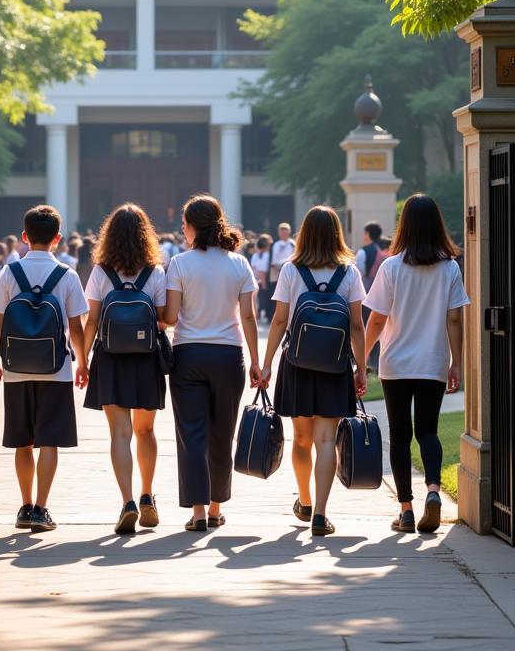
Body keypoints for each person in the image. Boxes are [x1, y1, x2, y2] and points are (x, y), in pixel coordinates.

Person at [363, 194, 469, 535]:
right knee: (428, 431)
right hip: (433, 362)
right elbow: (454, 319)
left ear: (404, 225)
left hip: (395, 362)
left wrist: (361, 357)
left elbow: (377, 320)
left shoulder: (391, 267)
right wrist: (457, 363)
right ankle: (434, 491)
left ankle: (406, 510)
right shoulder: (450, 268)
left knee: (400, 434)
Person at [260, 206, 367, 537]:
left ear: (303, 233)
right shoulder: (348, 272)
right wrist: (361, 368)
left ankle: (304, 501)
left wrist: (266, 363)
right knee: (326, 440)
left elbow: (279, 320)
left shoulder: (292, 270)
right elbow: (356, 325)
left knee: (302, 439)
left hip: (297, 364)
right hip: (335, 366)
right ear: (337, 233)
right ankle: (321, 513)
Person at [0, 205, 89, 535]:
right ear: (58, 239)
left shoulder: (9, 272)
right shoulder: (67, 275)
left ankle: (25, 504)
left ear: (24, 237)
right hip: (55, 368)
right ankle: (42, 508)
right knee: (49, 441)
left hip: (16, 368)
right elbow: (76, 326)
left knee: (22, 440)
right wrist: (83, 361)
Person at [164, 194, 261, 532]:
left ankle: (198, 511)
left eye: (184, 224)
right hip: (228, 354)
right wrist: (257, 361)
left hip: (188, 353)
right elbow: (248, 316)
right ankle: (217, 507)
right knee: (222, 433)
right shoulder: (239, 264)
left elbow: (171, 317)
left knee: (192, 435)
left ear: (193, 227)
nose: (182, 229)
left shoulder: (179, 263)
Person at [83, 204, 168, 534]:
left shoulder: (101, 272)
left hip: (111, 358)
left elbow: (92, 319)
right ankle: (148, 495)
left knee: (120, 433)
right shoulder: (155, 272)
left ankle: (128, 501)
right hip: (146, 359)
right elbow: (163, 318)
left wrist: (84, 358)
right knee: (145, 431)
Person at [355, 221, 388, 373]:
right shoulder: (385, 249)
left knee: (366, 330)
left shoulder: (363, 252)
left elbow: (358, 275)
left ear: (367, 234)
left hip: (366, 298)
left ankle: (365, 362)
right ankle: (376, 364)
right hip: (385, 297)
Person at [250, 233, 273, 322]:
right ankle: (265, 316)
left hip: (255, 279)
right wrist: (264, 285)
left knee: (257, 301)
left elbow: (254, 268)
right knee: (264, 300)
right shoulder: (266, 255)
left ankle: (258, 315)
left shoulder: (256, 255)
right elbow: (262, 271)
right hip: (262, 281)